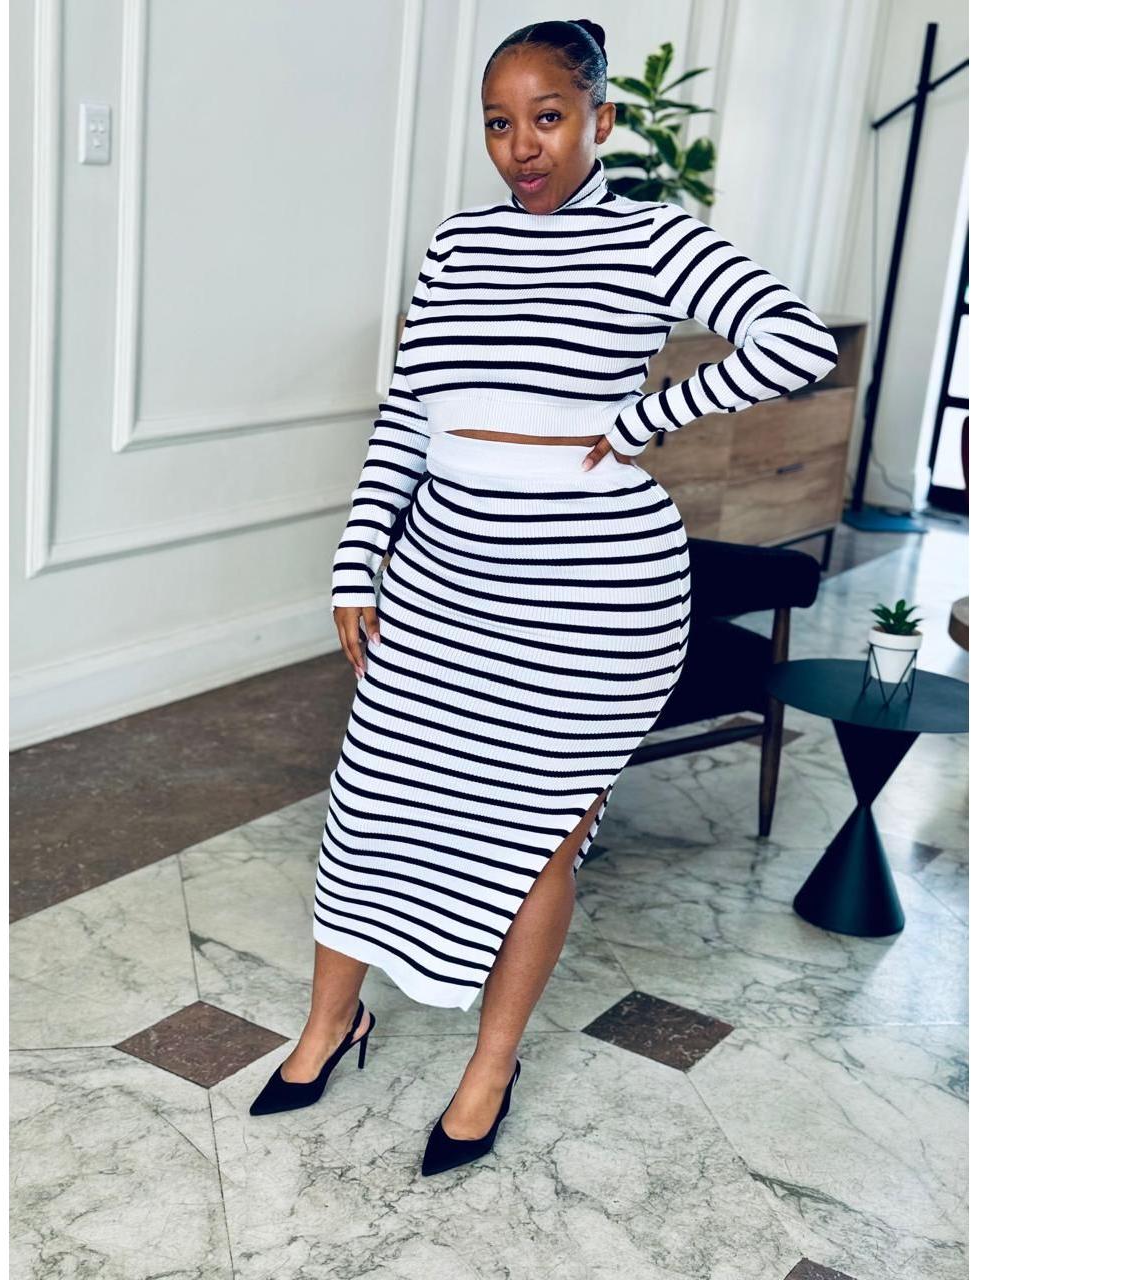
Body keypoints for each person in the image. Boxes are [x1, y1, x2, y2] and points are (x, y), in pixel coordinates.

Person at [249, 17, 838, 1176]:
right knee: (370, 806)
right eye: (498, 123)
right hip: (443, 579)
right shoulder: (458, 243)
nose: (520, 145)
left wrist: (641, 418)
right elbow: (408, 414)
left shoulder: (651, 236)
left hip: (592, 600)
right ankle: (329, 1019)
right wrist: (356, 556)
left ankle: (490, 1063)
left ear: (600, 119)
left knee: (538, 838)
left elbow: (795, 341)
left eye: (548, 117)